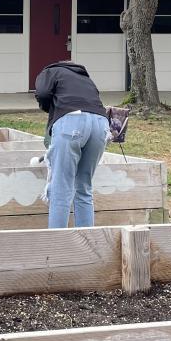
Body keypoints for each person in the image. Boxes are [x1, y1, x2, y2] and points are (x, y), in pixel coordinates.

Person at [34, 60, 108, 229]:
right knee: (84, 187)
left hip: (71, 122)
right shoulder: (85, 77)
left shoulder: (49, 72)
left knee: (61, 188)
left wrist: (50, 108)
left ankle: (58, 241)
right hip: (101, 124)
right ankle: (86, 238)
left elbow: (43, 93)